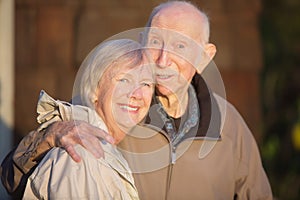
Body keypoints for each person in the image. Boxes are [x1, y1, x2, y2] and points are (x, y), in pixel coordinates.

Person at [1, 1, 272, 199]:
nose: (163, 60)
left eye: (180, 46)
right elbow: (12, 178)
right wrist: (51, 135)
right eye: (156, 41)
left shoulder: (230, 124)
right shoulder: (115, 106)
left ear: (204, 56)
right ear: (142, 41)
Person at [22, 38, 154, 199]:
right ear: (94, 89)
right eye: (124, 80)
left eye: (146, 84)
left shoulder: (103, 150)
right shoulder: (79, 154)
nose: (137, 94)